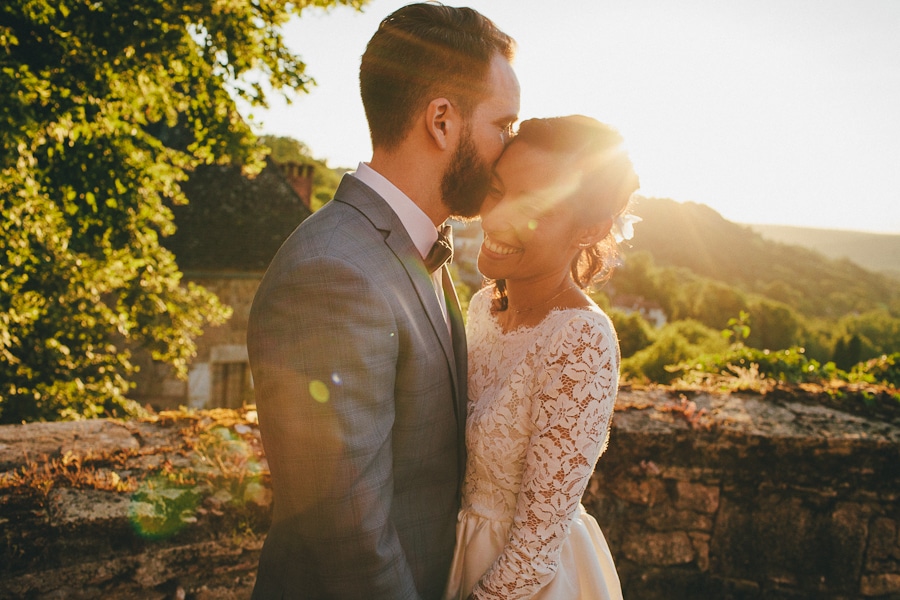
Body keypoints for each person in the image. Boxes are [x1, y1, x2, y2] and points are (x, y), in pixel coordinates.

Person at [246, 3, 519, 599]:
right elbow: (353, 544)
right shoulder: (333, 274)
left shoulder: (414, 246)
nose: (511, 150)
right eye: (504, 126)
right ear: (442, 121)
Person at [443, 115, 640, 600]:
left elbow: (533, 554)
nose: (497, 218)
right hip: (452, 557)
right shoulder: (483, 307)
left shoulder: (580, 340)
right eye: (497, 189)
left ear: (590, 230)